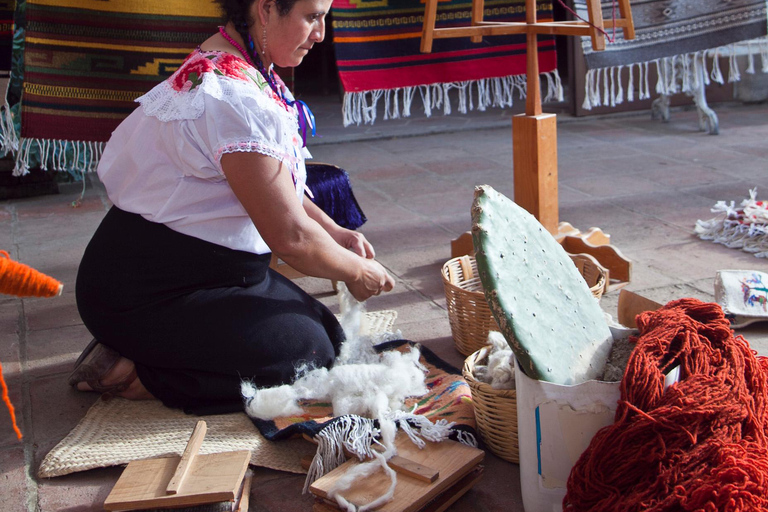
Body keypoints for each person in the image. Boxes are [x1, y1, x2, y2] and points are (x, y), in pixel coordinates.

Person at [70, 0, 395, 415]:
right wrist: (358, 271)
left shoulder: (237, 62)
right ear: (265, 9)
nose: (321, 34)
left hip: (207, 273)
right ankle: (136, 373)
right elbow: (290, 238)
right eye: (312, 17)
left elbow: (276, 187)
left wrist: (336, 234)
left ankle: (151, 347)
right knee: (303, 358)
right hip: (149, 289)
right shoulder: (233, 97)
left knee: (327, 335)